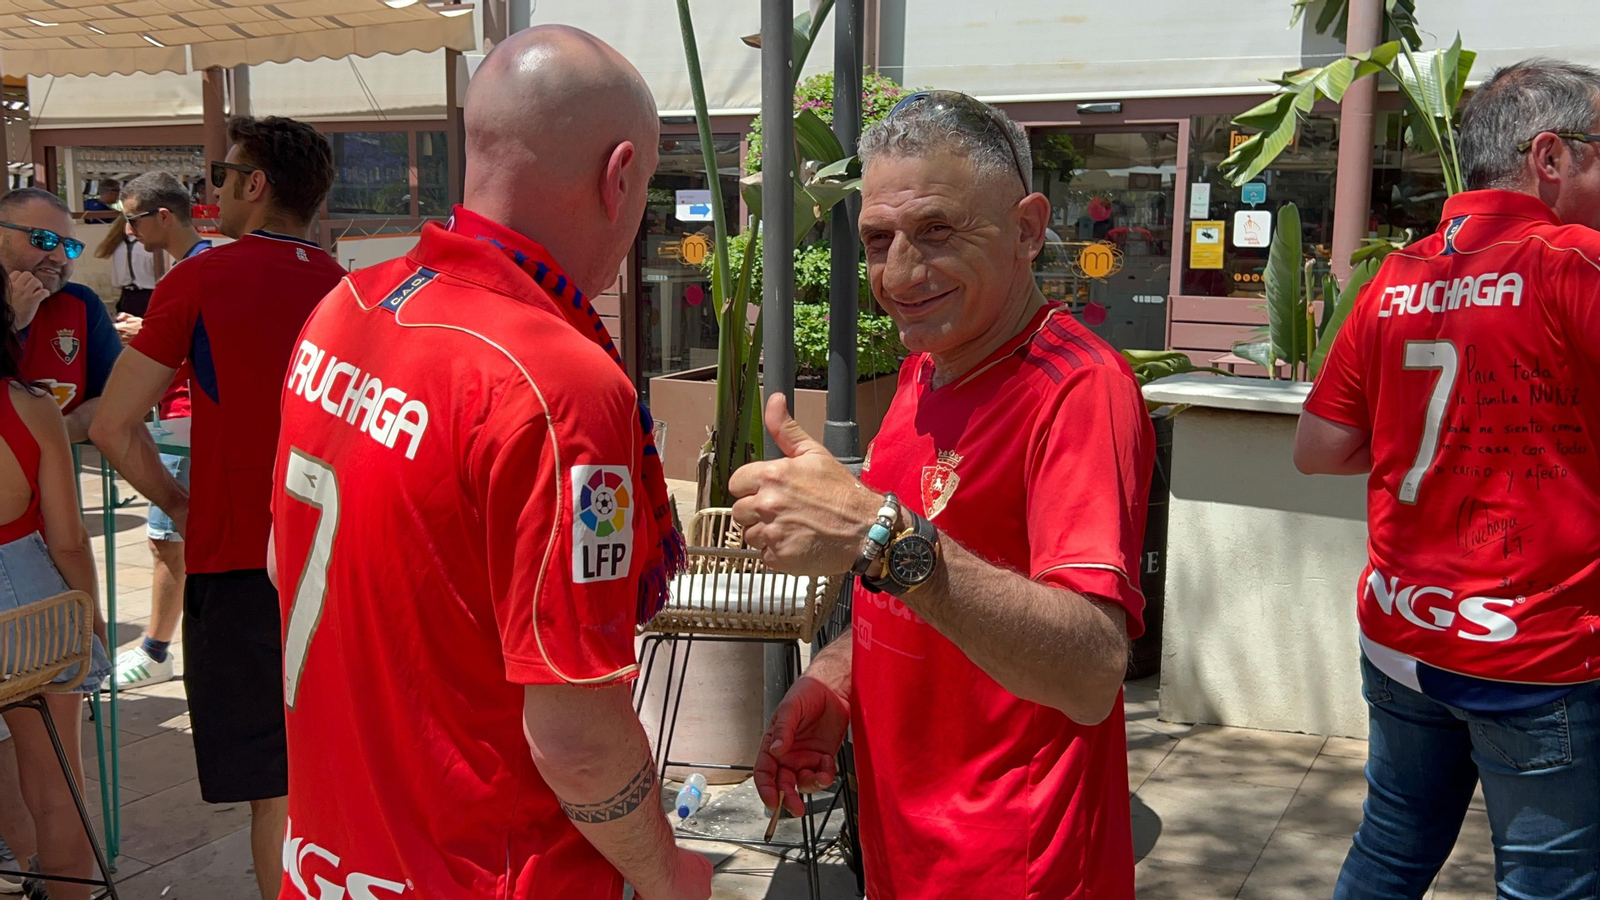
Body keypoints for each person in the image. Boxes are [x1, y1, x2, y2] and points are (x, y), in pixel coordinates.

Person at [266, 26, 711, 900]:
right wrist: (667, 875)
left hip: (328, 863)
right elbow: (576, 735)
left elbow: (286, 561)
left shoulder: (344, 307)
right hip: (490, 874)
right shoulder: (562, 385)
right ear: (619, 176)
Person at [731, 91, 1153, 899]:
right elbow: (913, 588)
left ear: (1028, 229)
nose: (897, 274)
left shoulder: (1078, 389)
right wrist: (835, 679)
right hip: (904, 849)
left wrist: (876, 531)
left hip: (1015, 869)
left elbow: (1093, 670)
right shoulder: (929, 366)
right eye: (878, 239)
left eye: (934, 231)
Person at [1297, 58, 1600, 900]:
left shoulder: (1395, 278)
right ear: (1552, 157)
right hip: (1538, 654)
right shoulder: (1575, 264)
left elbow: (1318, 448)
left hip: (1402, 635)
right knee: (1552, 886)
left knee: (1391, 852)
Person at [88, 116, 343, 900]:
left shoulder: (200, 279)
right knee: (339, 772)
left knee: (279, 786)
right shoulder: (355, 290)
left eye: (220, 176)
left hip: (241, 564)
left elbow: (110, 424)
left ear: (255, 186)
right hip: (343, 567)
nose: (211, 192)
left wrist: (178, 502)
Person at [0, 268, 112, 900]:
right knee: (56, 787)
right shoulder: (32, 406)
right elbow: (68, 539)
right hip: (31, 609)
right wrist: (90, 618)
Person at [105, 172, 214, 690]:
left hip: (182, 418)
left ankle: (156, 649)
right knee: (169, 538)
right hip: (180, 416)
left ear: (163, 216)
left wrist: (143, 336)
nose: (128, 229)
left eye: (133, 218)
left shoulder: (193, 273)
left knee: (167, 537)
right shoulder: (199, 268)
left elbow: (192, 351)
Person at [0, 189, 121, 443]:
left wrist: (56, 432)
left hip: (55, 476)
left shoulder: (81, 305)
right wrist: (11, 324)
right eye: (43, 240)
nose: (59, 257)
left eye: (70, 246)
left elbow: (116, 399)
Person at [92, 216, 159, 317]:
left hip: (126, 298)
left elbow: (116, 280)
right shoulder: (150, 247)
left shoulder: (117, 246)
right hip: (149, 297)